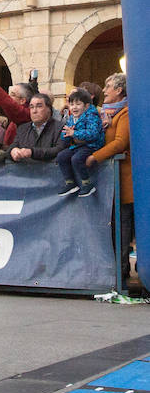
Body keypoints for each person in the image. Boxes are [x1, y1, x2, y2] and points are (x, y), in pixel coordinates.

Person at [85, 73, 132, 282]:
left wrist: (95, 157)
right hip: (107, 181)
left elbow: (120, 142)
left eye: (108, 86)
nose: (104, 91)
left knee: (122, 229)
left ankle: (120, 275)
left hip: (123, 181)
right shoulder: (104, 115)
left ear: (120, 90)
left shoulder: (125, 113)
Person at [56, 87, 104, 197]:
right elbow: (65, 133)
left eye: (78, 104)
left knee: (76, 159)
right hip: (78, 146)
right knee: (62, 156)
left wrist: (74, 134)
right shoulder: (72, 118)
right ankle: (70, 183)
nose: (74, 107)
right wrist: (67, 135)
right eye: (72, 104)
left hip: (92, 145)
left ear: (86, 106)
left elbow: (93, 133)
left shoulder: (92, 116)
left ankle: (87, 184)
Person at [8, 93, 64, 163]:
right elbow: (13, 146)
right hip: (24, 171)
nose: (34, 111)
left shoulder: (60, 127)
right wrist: (13, 151)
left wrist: (32, 152)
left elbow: (59, 150)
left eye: (39, 106)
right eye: (31, 107)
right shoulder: (22, 128)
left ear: (49, 109)